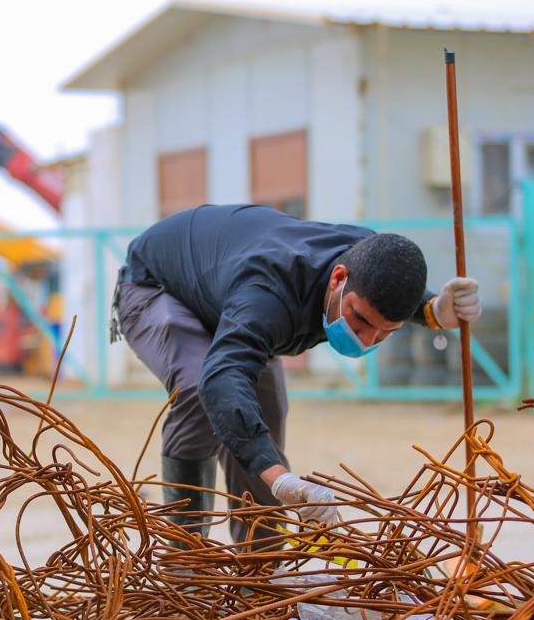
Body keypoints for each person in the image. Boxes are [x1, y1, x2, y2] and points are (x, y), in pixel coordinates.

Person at [110, 204, 481, 546]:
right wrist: (280, 479)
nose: (366, 340)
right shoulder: (269, 291)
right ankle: (185, 563)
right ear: (338, 278)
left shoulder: (370, 260)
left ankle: (261, 571)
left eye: (386, 333)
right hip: (155, 287)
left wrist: (435, 311)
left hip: (227, 291)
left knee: (263, 418)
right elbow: (222, 376)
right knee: (200, 389)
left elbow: (390, 296)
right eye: (360, 320)